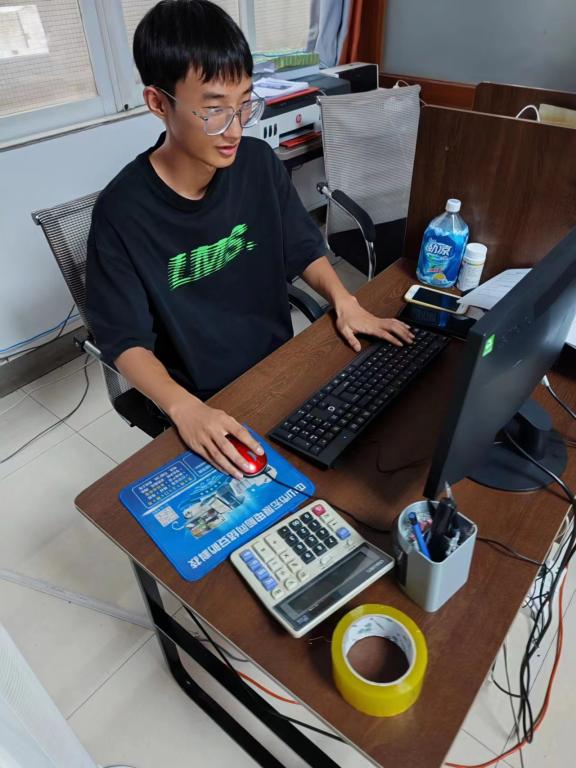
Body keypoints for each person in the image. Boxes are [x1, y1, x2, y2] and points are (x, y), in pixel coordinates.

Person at [86, 0, 413, 479]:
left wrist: (345, 301)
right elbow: (124, 340)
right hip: (203, 395)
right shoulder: (122, 212)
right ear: (158, 103)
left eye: (244, 104)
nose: (236, 129)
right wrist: (183, 407)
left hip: (281, 365)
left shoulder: (258, 164)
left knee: (380, 445)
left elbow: (302, 248)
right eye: (214, 110)